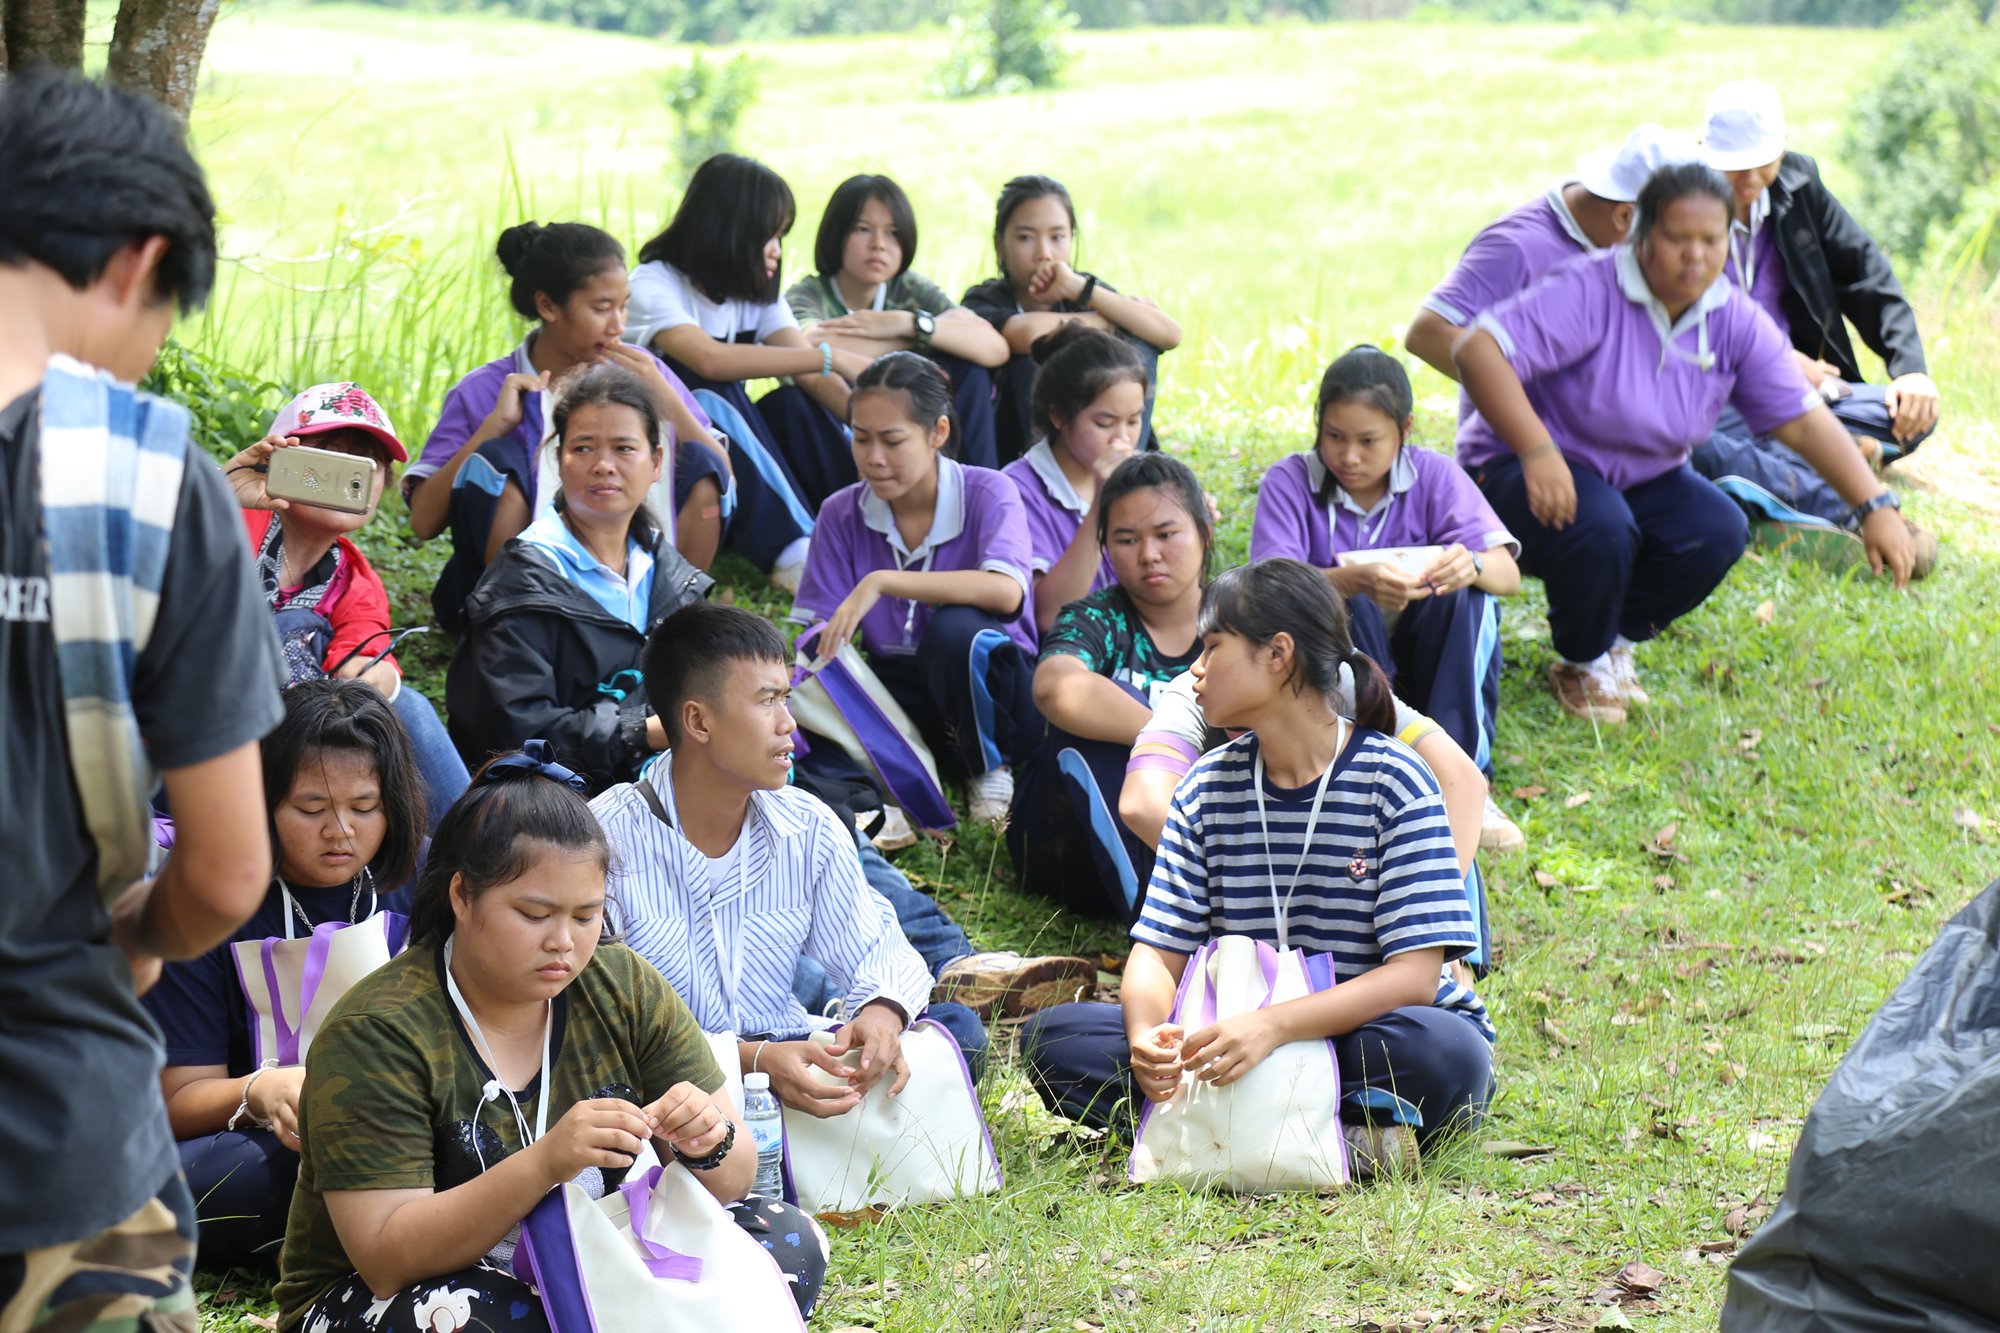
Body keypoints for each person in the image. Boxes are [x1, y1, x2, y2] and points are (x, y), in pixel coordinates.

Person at [0, 68, 283, 1328]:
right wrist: (137, 934)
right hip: (56, 1156)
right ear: (139, 261)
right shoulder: (149, 478)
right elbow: (226, 874)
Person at [273, 752, 829, 1330]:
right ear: (462, 896)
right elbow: (387, 1259)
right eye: (535, 915)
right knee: (492, 1317)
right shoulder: (377, 1030)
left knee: (786, 1240)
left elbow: (735, 1178)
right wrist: (544, 1164)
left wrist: (706, 1141)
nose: (563, 942)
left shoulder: (622, 984)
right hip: (388, 1295)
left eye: (586, 917)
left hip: (584, 1253)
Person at [1021, 560, 1495, 1168]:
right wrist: (1146, 1039)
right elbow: (1158, 953)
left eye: (1213, 646)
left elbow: (1414, 979)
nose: (1194, 671)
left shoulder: (1395, 778)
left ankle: (1216, 1126)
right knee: (1055, 1040)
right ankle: (1345, 1135)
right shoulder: (1205, 787)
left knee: (1447, 1051)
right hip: (1229, 1032)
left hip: (1352, 1030)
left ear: (1278, 655)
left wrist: (1272, 1028)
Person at [1453, 162, 1915, 725]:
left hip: (1637, 471)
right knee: (1603, 524)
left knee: (1715, 528)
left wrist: (1874, 505)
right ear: (1642, 234)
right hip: (1514, 467)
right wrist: (1536, 449)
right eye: (1677, 238)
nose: (1695, 255)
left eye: (1710, 239)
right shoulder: (1591, 287)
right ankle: (1581, 659)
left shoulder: (1732, 318)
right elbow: (1477, 350)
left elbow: (1801, 421)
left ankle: (1615, 641)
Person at [595, 602, 1023, 1116]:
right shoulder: (605, 838)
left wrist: (882, 1012)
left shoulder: (806, 824)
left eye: (786, 698)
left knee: (959, 1033)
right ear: (698, 720)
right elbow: (603, 1026)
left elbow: (878, 948)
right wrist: (752, 1062)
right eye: (766, 702)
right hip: (678, 1091)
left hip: (794, 1055)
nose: (789, 724)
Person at [145, 680, 423, 1271]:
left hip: (410, 1120)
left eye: (364, 807)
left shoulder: (423, 877)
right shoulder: (204, 896)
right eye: (311, 809)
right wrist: (262, 1091)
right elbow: (178, 1098)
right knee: (221, 1182)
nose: (340, 830)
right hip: (270, 1141)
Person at [1250, 347, 1524, 853]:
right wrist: (1353, 581)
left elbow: (1508, 574)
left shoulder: (1435, 475)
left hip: (1431, 654)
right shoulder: (1289, 481)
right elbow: (1268, 591)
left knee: (1468, 598)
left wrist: (1472, 564)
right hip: (1345, 666)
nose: (1349, 456)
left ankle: (1463, 775)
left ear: (1406, 429)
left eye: (1368, 440)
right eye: (1334, 436)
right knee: (1339, 604)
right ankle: (1366, 776)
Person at [403, 221, 731, 628]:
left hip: (630, 575)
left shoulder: (645, 372)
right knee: (497, 460)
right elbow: (423, 522)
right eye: (602, 308)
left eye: (624, 307)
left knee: (701, 463)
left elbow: (722, 476)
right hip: (519, 604)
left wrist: (667, 402)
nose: (618, 325)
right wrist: (493, 427)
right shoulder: (485, 390)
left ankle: (672, 625)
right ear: (548, 306)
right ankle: (520, 626)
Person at [1688, 79, 1942, 563]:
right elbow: (1673, 320)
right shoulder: (1678, 209)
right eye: (1734, 166)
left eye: (1761, 163)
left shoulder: (1799, 185)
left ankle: (1814, 465)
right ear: (1704, 153)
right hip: (1718, 390)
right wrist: (1773, 359)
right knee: (1707, 443)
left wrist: (1910, 368)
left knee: (1909, 415)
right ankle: (1837, 506)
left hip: (1800, 392)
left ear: (1782, 148)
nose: (1748, 180)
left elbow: (1865, 272)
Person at [789, 352, 1040, 824]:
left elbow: (1007, 591)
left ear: (937, 432)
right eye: (861, 438)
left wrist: (882, 581)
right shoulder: (840, 512)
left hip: (996, 696)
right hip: (902, 692)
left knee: (956, 631)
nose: (874, 457)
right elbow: (818, 629)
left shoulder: (989, 492)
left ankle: (988, 768)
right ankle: (878, 795)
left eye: (892, 440)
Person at [446, 364, 713, 791]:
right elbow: (513, 732)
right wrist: (639, 732)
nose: (603, 465)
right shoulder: (521, 582)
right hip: (555, 809)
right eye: (583, 448)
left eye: (624, 448)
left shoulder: (673, 577)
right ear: (558, 459)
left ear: (656, 461)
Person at [223, 382, 469, 833]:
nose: (347, 473)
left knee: (405, 705)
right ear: (276, 460)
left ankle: (476, 848)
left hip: (292, 749)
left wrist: (376, 674)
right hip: (198, 736)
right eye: (330, 454)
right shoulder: (224, 519)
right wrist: (219, 496)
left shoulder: (354, 578)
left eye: (367, 463)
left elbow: (365, 647)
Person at [627, 153, 854, 582]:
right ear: (729, 228)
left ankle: (865, 525)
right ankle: (799, 555)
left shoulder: (753, 292)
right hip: (663, 463)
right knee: (708, 394)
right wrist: (831, 356)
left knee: (793, 403)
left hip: (730, 468)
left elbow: (809, 373)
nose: (777, 251)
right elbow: (709, 360)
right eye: (769, 235)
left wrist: (869, 421)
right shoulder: (652, 283)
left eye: (781, 237)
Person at [1007, 454, 1208, 921]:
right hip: (1069, 852)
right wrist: (1175, 740)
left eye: (1165, 534)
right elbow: (1055, 687)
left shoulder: (1237, 621)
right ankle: (1162, 919)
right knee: (1093, 720)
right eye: (1126, 539)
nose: (1149, 554)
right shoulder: (1095, 617)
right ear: (1105, 547)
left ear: (1203, 530)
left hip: (1200, 827)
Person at [1406, 123, 1698, 384]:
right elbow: (1426, 334)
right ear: (1624, 216)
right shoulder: (1516, 249)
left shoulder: (1606, 241)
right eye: (1673, 236)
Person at [786, 174, 1009, 471]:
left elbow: (994, 347)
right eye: (862, 229)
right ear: (836, 233)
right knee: (789, 401)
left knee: (970, 369)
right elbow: (808, 348)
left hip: (918, 420)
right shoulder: (808, 295)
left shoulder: (911, 289)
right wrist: (917, 339)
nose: (878, 245)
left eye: (892, 233)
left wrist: (904, 324)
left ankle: (977, 482)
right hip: (847, 426)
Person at [961, 175, 1183, 463]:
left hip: (1101, 441)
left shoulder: (1082, 291)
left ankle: (1126, 468)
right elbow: (1025, 334)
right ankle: (1048, 478)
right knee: (1038, 356)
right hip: (1018, 447)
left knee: (1140, 342)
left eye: (1057, 237)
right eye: (1026, 238)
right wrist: (1113, 320)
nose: (1044, 254)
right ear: (999, 245)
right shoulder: (984, 299)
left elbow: (1169, 334)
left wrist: (1080, 288)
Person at [1002, 323, 1148, 635]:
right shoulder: (1015, 492)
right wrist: (1101, 506)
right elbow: (1050, 617)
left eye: (1134, 421)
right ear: (1058, 416)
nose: (1123, 438)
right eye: (1105, 423)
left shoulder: (1143, 480)